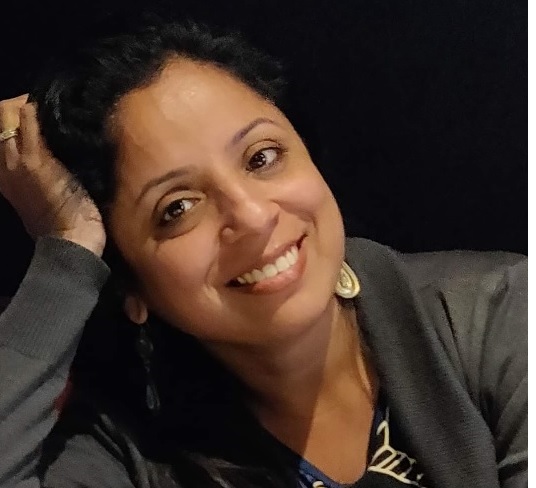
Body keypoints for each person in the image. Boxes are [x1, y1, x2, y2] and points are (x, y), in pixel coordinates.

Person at [0, 15, 527, 488]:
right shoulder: (127, 454)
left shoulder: (498, 311)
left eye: (262, 157)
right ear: (130, 285)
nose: (253, 216)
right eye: (178, 207)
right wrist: (65, 249)